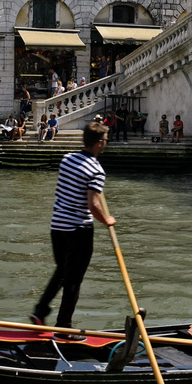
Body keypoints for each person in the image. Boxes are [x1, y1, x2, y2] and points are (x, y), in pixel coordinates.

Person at [32, 122, 113, 328]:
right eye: (105, 140)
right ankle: (64, 326)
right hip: (78, 230)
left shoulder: (67, 159)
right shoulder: (96, 170)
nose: (106, 144)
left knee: (62, 271)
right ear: (99, 143)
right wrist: (107, 220)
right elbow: (94, 205)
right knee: (73, 280)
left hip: (57, 226)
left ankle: (40, 311)